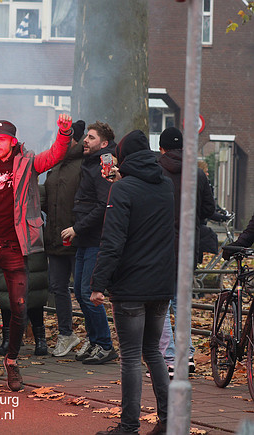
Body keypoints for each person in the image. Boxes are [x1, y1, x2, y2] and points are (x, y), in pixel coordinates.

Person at [0, 114, 72, 392]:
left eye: (3, 139)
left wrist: (64, 132)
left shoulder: (26, 162)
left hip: (16, 247)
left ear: (13, 142)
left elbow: (55, 155)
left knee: (20, 307)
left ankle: (11, 362)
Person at [90, 130, 175, 435]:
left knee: (130, 356)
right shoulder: (165, 185)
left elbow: (113, 242)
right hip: (161, 283)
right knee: (152, 350)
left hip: (130, 285)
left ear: (123, 157)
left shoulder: (123, 190)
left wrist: (98, 284)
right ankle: (168, 420)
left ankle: (128, 427)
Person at [157, 126, 215, 376]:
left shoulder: (155, 170)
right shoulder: (197, 174)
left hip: (160, 246)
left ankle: (169, 358)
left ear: (161, 148)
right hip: (188, 246)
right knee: (182, 303)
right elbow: (208, 209)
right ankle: (186, 355)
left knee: (160, 303)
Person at [61, 121, 117, 365]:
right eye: (86, 137)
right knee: (81, 293)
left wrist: (77, 227)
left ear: (103, 144)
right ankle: (95, 340)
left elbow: (103, 206)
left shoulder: (104, 167)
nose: (85, 140)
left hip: (95, 239)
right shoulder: (91, 163)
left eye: (91, 138)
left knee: (89, 293)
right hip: (85, 238)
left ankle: (105, 344)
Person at [41, 120, 86, 357]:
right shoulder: (54, 165)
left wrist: (77, 227)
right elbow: (47, 200)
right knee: (58, 288)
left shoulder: (84, 164)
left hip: (78, 240)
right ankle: (66, 334)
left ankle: (94, 339)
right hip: (55, 239)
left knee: (82, 291)